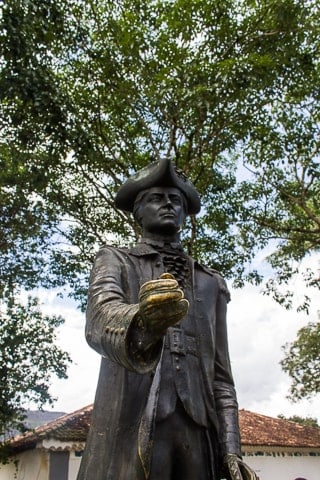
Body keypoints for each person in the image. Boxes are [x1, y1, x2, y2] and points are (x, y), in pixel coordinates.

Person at [77, 158, 258, 480]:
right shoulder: (116, 259)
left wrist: (231, 448)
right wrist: (143, 320)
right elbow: (100, 318)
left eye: (176, 200)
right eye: (157, 199)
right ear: (139, 211)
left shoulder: (209, 282)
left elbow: (221, 374)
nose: (168, 205)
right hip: (134, 420)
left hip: (198, 427)